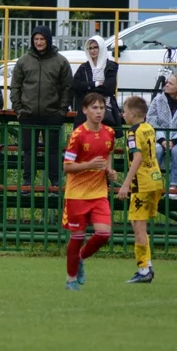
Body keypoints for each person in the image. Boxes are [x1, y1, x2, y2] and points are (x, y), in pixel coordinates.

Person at [61, 93, 118, 291]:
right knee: (77, 237)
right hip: (76, 194)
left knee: (104, 234)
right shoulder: (77, 135)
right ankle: (70, 280)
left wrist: (109, 171)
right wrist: (89, 165)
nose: (99, 112)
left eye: (102, 108)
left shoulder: (110, 132)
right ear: (84, 110)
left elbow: (108, 153)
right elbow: (67, 167)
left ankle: (81, 259)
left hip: (99, 192)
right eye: (94, 108)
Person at [10, 25, 74, 191]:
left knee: (52, 151)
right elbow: (15, 86)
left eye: (42, 39)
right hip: (28, 115)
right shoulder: (23, 61)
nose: (39, 42)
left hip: (52, 114)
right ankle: (27, 183)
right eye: (36, 39)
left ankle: (55, 184)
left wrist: (61, 111)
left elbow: (68, 87)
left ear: (48, 40)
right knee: (28, 151)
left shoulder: (60, 61)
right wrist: (18, 109)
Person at [117, 96, 163, 284]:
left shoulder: (132, 133)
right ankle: (147, 266)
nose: (123, 114)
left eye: (125, 111)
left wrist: (126, 184)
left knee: (138, 227)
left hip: (141, 184)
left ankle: (144, 269)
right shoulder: (149, 128)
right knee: (140, 226)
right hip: (155, 180)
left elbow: (137, 158)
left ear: (133, 114)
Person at [146, 73, 177, 200]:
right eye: (167, 82)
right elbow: (151, 122)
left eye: (170, 83)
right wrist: (163, 139)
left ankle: (173, 187)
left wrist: (173, 141)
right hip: (159, 137)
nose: (166, 85)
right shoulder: (157, 100)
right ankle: (152, 185)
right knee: (156, 150)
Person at [71, 35, 119, 130]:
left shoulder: (111, 66)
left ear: (101, 48)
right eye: (90, 48)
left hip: (106, 111)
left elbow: (109, 88)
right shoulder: (84, 67)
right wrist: (95, 84)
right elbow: (76, 85)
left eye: (96, 47)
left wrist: (88, 89)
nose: (93, 51)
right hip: (86, 112)